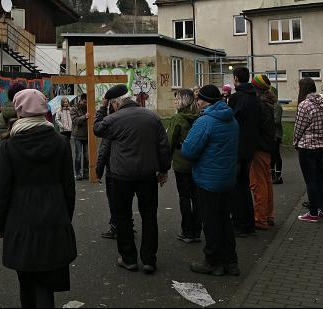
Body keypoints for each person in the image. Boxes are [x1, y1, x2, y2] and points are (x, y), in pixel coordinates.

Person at [0, 89, 77, 308]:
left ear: (19, 111)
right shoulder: (60, 142)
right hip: (54, 216)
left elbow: (1, 190)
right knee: (46, 282)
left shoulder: (9, 146)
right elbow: (69, 187)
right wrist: (66, 216)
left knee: (26, 279)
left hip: (20, 219)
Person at [93, 84, 171, 274]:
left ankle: (128, 259)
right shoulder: (152, 117)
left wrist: (102, 107)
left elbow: (97, 129)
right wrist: (164, 170)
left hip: (121, 176)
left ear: (115, 103)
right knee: (149, 216)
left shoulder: (113, 119)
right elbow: (163, 146)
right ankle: (149, 260)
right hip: (147, 176)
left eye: (111, 105)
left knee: (123, 216)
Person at [181, 85, 240, 276]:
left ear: (205, 101)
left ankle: (213, 262)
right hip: (227, 178)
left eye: (198, 99)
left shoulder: (205, 122)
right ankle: (231, 262)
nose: (197, 103)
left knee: (211, 222)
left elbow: (189, 151)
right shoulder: (231, 119)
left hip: (208, 180)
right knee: (226, 221)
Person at [227, 66, 261, 237]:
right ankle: (249, 223)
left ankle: (239, 223)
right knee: (245, 185)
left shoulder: (236, 98)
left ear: (235, 78)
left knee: (236, 186)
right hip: (250, 147)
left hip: (237, 147)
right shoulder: (254, 97)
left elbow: (230, 120)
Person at [294, 77, 323, 222]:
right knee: (321, 178)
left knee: (310, 180)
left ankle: (313, 212)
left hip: (308, 147)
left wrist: (295, 142)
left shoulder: (304, 105)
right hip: (322, 146)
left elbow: (299, 127)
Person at [168, 89, 202, 243]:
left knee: (184, 197)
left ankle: (187, 231)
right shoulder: (200, 116)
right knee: (197, 197)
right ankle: (197, 231)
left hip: (181, 163)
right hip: (198, 163)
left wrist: (164, 163)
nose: (175, 102)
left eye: (177, 99)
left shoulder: (178, 118)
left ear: (182, 101)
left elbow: (170, 142)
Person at [250, 74, 276, 230]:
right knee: (266, 181)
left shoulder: (259, 105)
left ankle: (260, 218)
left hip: (259, 147)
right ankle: (268, 214)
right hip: (267, 147)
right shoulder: (269, 104)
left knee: (259, 184)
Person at [96, 138, 118, 239]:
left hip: (114, 171)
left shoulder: (111, 127)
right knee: (126, 199)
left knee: (113, 200)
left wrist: (98, 172)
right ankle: (127, 225)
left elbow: (103, 152)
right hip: (133, 169)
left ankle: (115, 226)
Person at [70, 93, 90, 181]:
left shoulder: (89, 107)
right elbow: (75, 121)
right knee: (78, 155)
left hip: (87, 135)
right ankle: (78, 173)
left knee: (86, 156)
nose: (85, 104)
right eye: (84, 102)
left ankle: (86, 173)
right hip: (78, 135)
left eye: (87, 102)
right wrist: (84, 117)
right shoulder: (74, 108)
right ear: (81, 100)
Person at [269, 86, 284, 184]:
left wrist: (266, 120)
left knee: (276, 154)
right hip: (271, 134)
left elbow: (277, 121)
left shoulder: (277, 106)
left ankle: (278, 175)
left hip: (276, 134)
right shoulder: (270, 105)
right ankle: (272, 174)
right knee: (272, 155)